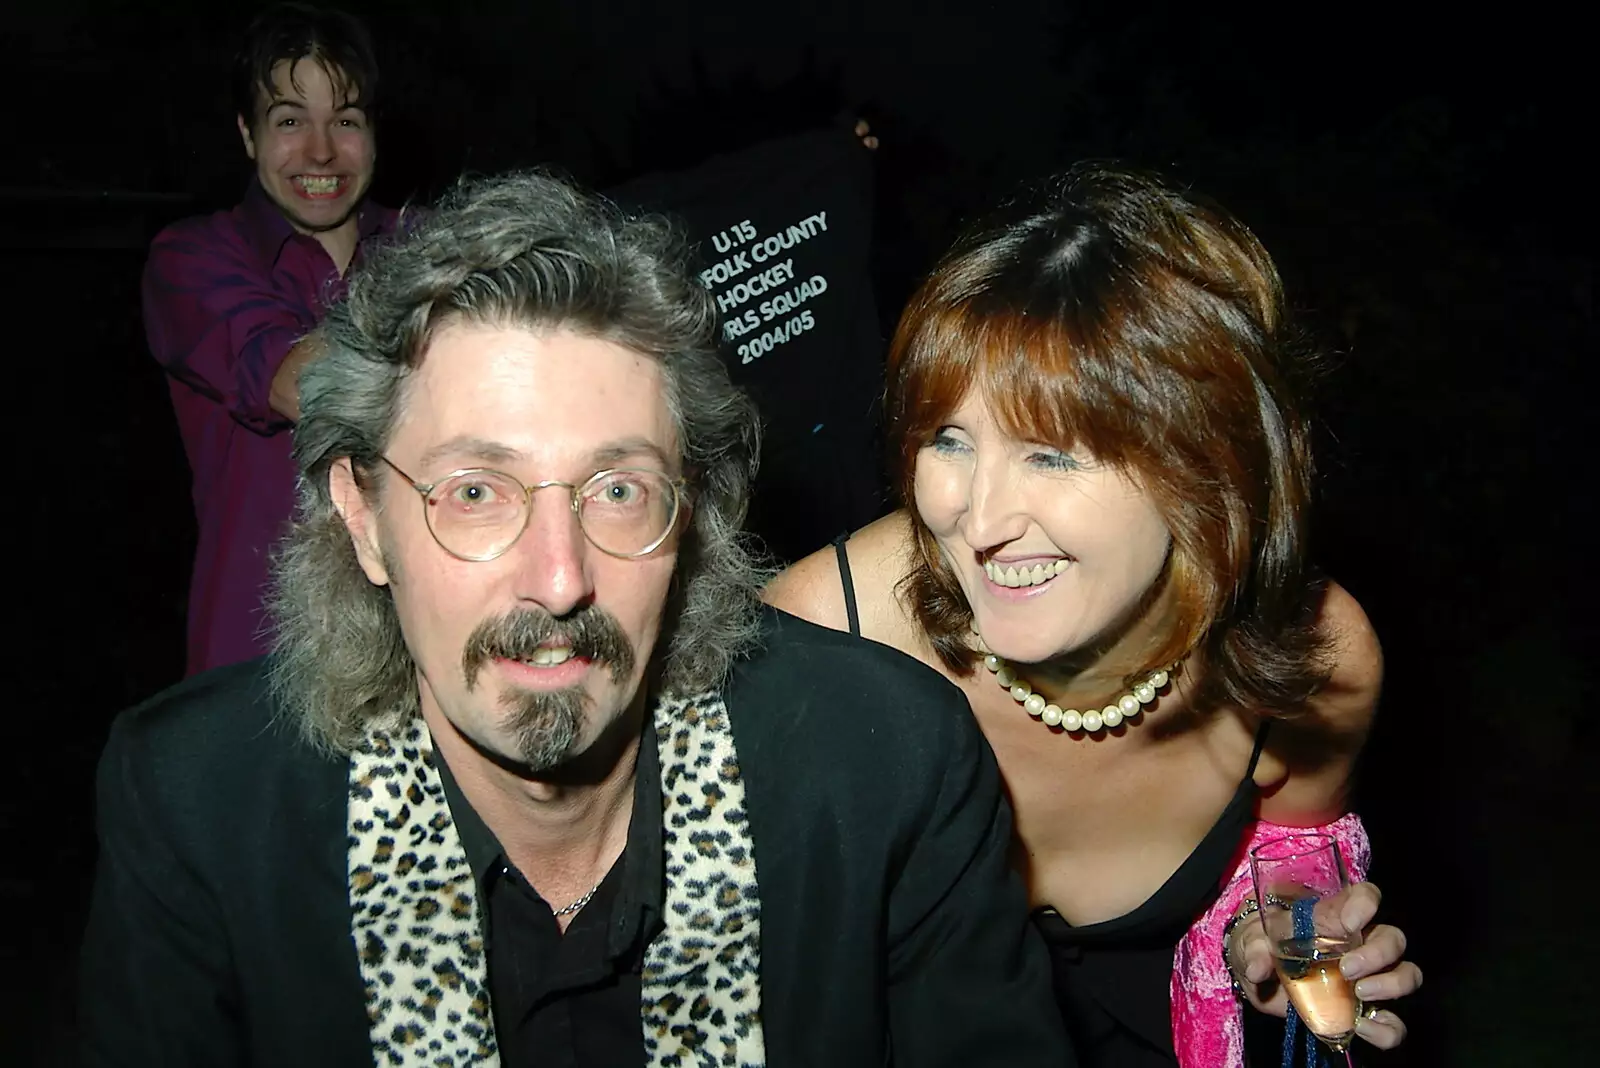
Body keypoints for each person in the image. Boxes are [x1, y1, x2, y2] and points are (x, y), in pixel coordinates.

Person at [80, 171, 1074, 1067]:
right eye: (474, 492)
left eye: (618, 491)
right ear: (364, 523)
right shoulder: (197, 812)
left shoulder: (890, 769)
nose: (559, 582)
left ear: (689, 516)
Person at [765, 163, 1423, 1067]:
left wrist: (1292, 932)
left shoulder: (1315, 654)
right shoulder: (816, 641)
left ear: (1211, 471)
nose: (981, 520)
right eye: (950, 440)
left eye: (1054, 456)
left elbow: (1293, 844)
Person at [142, 3, 399, 674]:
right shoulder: (192, 257)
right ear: (249, 135)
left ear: (373, 134)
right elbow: (297, 382)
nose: (320, 151)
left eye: (345, 120)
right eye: (290, 121)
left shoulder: (426, 242)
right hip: (257, 664)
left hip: (420, 661)